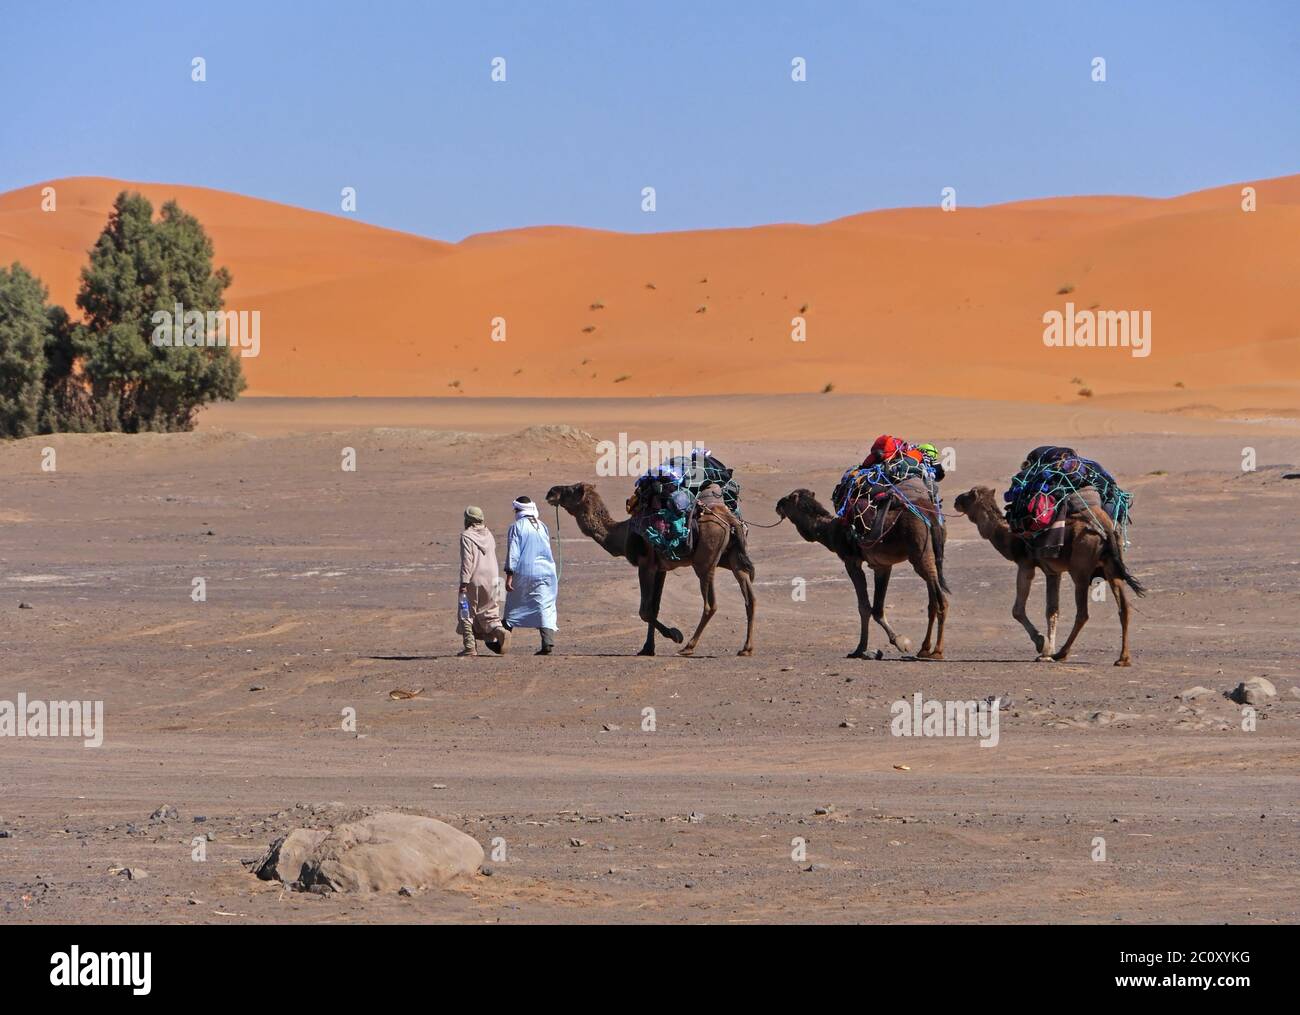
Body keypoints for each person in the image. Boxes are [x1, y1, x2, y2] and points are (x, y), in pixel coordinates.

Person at [503, 496, 559, 655]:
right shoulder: (542, 526)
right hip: (547, 571)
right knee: (545, 605)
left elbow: (513, 553)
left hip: (526, 571)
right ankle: (547, 642)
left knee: (512, 606)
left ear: (519, 510)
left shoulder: (517, 527)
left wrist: (509, 575)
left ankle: (500, 642)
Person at [457, 506, 510, 657]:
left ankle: (470, 647)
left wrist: (463, 583)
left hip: (475, 578)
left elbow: (467, 561)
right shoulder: (489, 534)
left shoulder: (466, 536)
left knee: (466, 611)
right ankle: (500, 631)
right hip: (495, 579)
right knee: (491, 612)